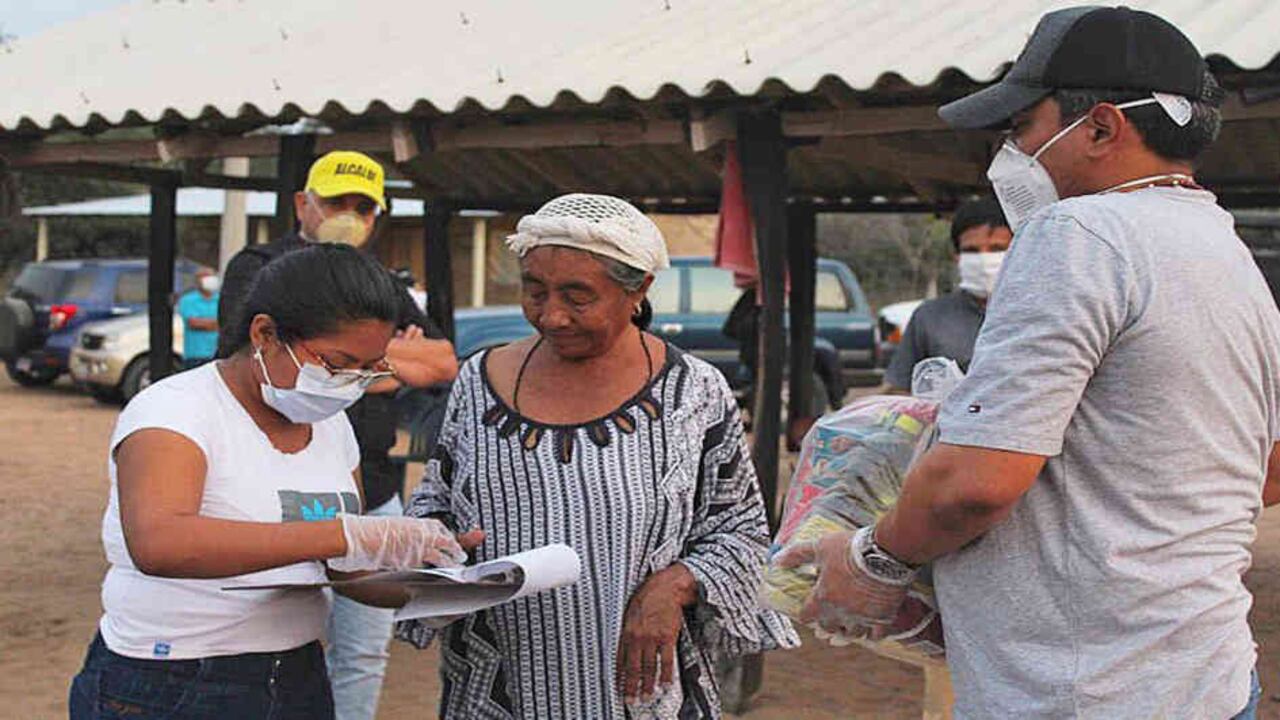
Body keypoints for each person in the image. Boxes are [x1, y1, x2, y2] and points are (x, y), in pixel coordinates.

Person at [783, 7, 1279, 719]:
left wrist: (872, 559)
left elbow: (977, 484)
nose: (1009, 154)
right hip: (1205, 676)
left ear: (1102, 128)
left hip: (1083, 693)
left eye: (1021, 129)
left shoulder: (1079, 232)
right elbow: (1267, 464)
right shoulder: (1226, 251)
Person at [396, 193, 798, 718]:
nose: (552, 315)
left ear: (639, 291)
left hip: (640, 688)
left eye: (578, 296)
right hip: (498, 685)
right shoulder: (479, 380)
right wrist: (436, 544)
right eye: (534, 291)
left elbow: (741, 529)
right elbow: (436, 499)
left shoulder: (693, 392)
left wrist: (676, 585)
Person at [68, 244, 480, 720]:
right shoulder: (175, 411)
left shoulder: (331, 423)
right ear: (264, 333)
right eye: (337, 363)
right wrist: (346, 533)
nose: (354, 382)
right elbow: (160, 543)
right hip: (170, 680)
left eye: (371, 368)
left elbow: (342, 570)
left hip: (294, 676)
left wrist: (436, 579)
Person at [216, 150, 458, 720]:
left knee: (363, 651)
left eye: (363, 206)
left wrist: (333, 361)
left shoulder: (380, 283)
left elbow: (443, 361)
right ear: (304, 204)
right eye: (336, 202)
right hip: (270, 498)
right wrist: (393, 359)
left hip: (370, 489)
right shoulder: (259, 268)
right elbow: (250, 363)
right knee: (262, 644)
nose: (349, 215)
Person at [884, 198, 1010, 390]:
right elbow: (898, 390)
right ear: (957, 256)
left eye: (997, 249)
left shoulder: (1047, 313)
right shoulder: (930, 318)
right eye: (971, 250)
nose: (984, 259)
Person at [176, 267, 220, 370]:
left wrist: (207, 323)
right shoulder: (188, 300)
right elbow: (194, 323)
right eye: (205, 277)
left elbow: (227, 323)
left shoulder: (221, 299)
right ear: (197, 281)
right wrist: (216, 324)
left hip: (217, 354)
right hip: (195, 355)